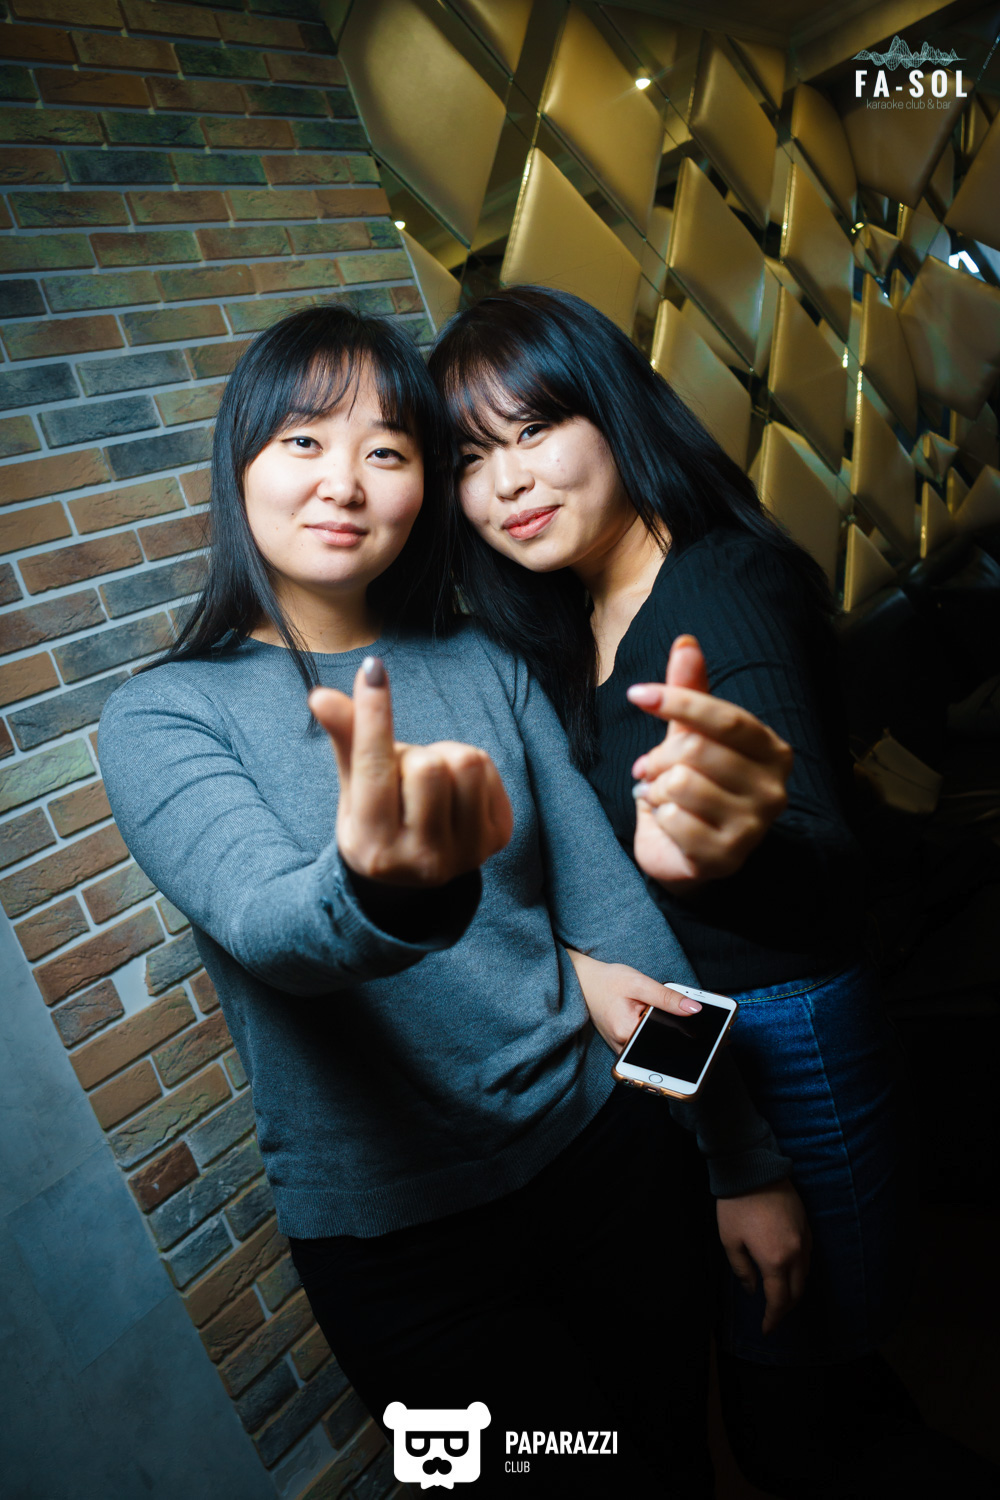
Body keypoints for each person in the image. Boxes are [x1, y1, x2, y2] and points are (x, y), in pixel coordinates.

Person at [98, 304, 808, 1498]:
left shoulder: (483, 660)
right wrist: (386, 884)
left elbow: (619, 928)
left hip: (611, 1164)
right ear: (240, 466)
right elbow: (276, 931)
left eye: (386, 450)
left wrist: (739, 1156)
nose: (344, 482)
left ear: (423, 486)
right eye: (303, 441)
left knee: (673, 1460)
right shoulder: (165, 716)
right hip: (407, 1256)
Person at [428, 285, 936, 1497]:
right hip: (694, 1040)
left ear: (610, 412)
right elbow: (625, 924)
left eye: (535, 429)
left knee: (798, 1397)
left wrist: (738, 841)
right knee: (794, 1384)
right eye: (470, 458)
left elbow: (811, 853)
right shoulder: (571, 620)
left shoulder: (716, 586)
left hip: (786, 1034)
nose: (507, 482)